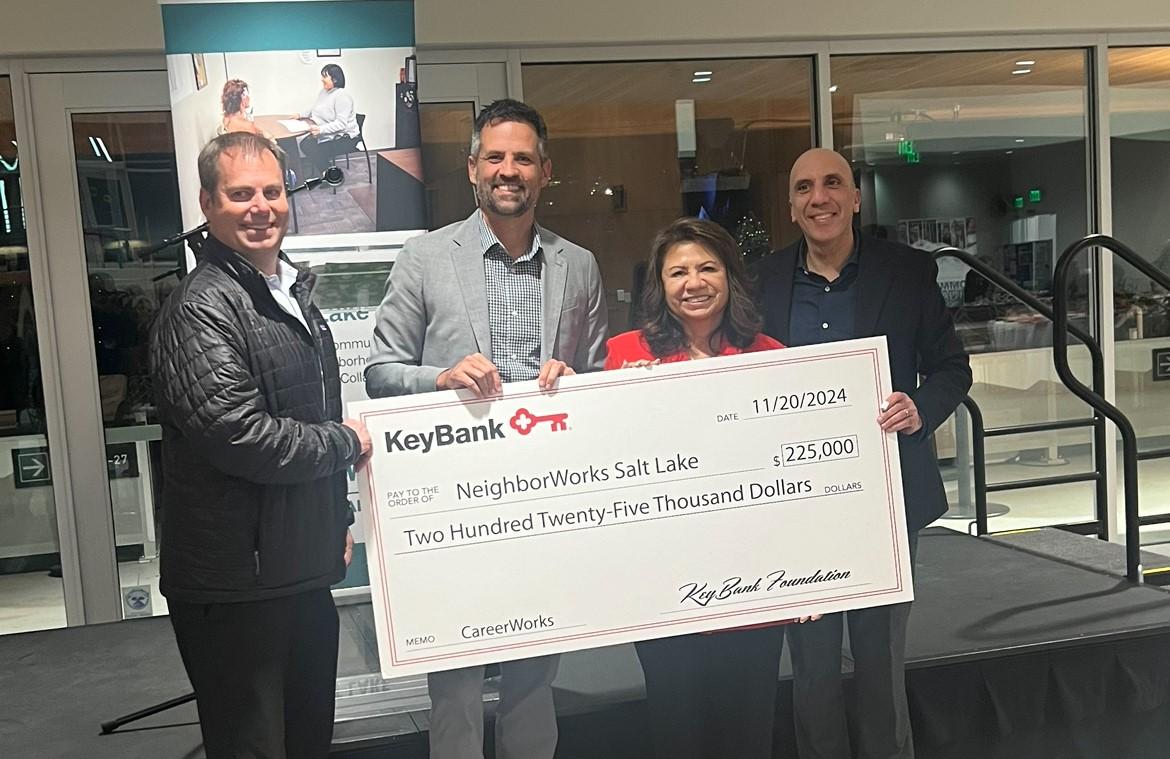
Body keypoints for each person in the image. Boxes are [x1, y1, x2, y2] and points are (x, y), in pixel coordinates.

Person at [364, 98, 607, 759]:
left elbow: (602, 383)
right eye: (495, 157)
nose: (509, 170)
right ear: (473, 168)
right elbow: (380, 374)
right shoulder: (423, 257)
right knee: (457, 683)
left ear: (545, 171)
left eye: (523, 158)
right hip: (454, 506)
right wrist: (439, 378)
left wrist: (579, 382)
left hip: (545, 501)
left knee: (536, 673)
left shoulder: (577, 264)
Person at [149, 132, 373, 759]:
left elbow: (308, 407)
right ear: (208, 203)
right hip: (233, 588)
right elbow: (241, 437)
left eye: (271, 192)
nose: (261, 207)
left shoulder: (289, 296)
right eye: (240, 194)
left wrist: (337, 515)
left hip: (296, 571)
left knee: (307, 742)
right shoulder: (200, 308)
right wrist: (343, 443)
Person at [756, 148, 971, 759]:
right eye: (803, 188)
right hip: (796, 506)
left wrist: (920, 408)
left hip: (886, 498)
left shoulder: (906, 273)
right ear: (792, 206)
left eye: (832, 184)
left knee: (881, 667)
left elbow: (952, 369)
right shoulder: (763, 280)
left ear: (855, 198)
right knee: (813, 670)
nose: (818, 197)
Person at [604, 216, 788, 759]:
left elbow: (794, 482)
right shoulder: (621, 357)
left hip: (755, 591)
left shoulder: (772, 357)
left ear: (731, 278)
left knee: (750, 734)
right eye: (678, 271)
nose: (694, 282)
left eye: (708, 267)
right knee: (676, 732)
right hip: (664, 590)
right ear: (659, 286)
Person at [296, 63, 359, 174]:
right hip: (331, 133)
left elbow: (341, 124)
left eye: (325, 76)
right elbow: (314, 108)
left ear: (334, 79)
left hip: (344, 138)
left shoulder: (342, 96)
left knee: (311, 146)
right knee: (306, 144)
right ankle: (327, 170)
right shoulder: (324, 92)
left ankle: (331, 175)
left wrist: (320, 130)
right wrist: (300, 115)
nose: (322, 79)